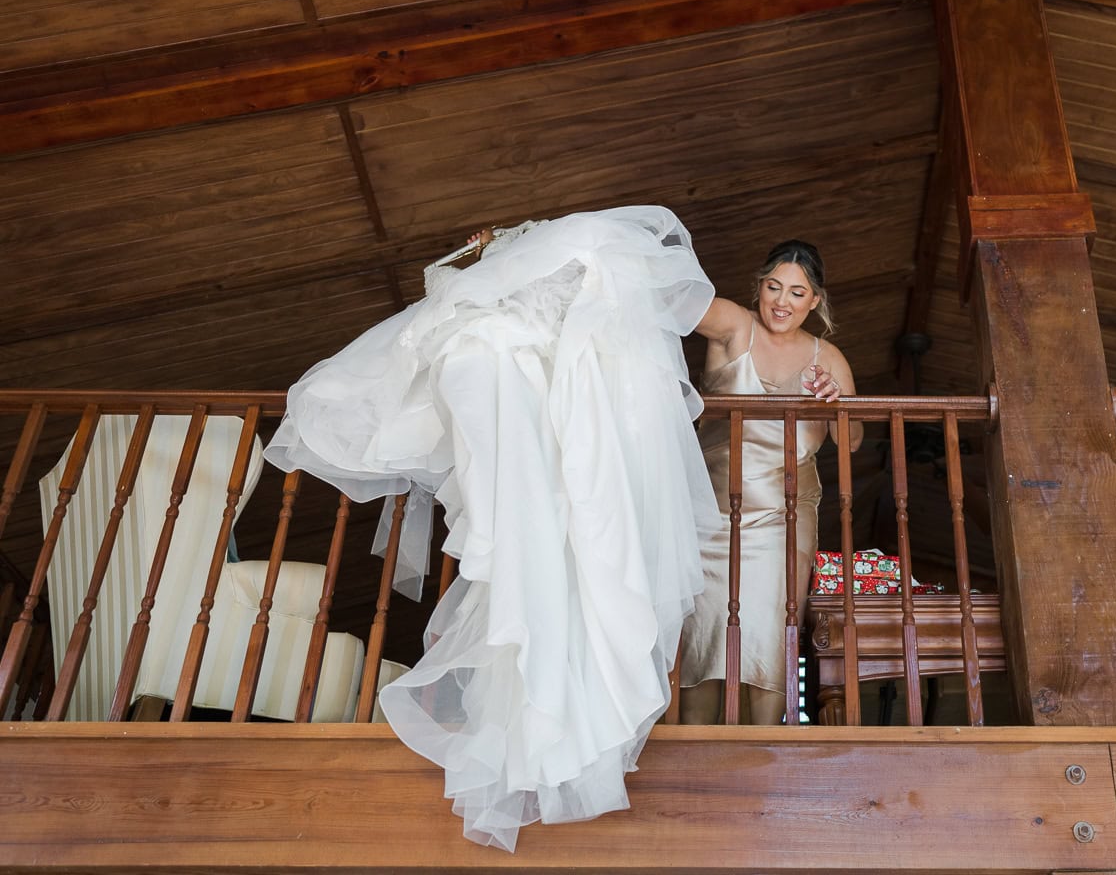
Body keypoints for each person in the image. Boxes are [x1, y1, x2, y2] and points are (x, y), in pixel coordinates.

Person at [265, 206, 720, 850]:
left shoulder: (586, 253)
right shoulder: (485, 315)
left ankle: (558, 727)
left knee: (578, 554)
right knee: (540, 563)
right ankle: (543, 729)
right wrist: (477, 261)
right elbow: (439, 290)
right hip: (524, 439)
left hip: (559, 432)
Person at [677, 239, 863, 725]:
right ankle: (694, 749)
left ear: (815, 301)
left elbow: (854, 443)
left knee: (765, 634)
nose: (782, 302)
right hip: (712, 518)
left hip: (785, 521)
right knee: (702, 636)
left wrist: (836, 403)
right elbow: (669, 299)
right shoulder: (735, 326)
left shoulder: (830, 357)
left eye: (797, 293)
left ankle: (763, 749)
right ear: (758, 287)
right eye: (774, 287)